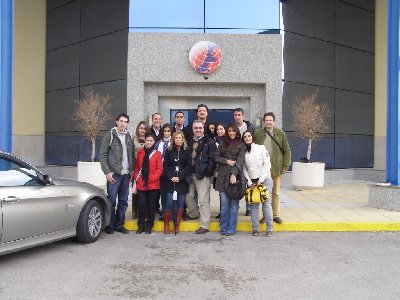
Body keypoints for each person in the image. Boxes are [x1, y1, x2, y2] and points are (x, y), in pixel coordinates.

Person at [100, 113, 135, 234]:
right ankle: (110, 225)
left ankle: (119, 225)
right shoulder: (109, 135)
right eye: (121, 121)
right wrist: (107, 172)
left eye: (125, 122)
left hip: (126, 175)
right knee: (111, 201)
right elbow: (103, 155)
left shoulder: (129, 136)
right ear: (116, 121)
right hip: (114, 174)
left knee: (123, 201)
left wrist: (132, 171)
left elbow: (132, 155)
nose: (123, 123)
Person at [255, 112, 291, 224]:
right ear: (264, 122)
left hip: (276, 167)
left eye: (270, 120)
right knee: (264, 193)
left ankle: (275, 215)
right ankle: (266, 215)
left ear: (274, 122)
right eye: (266, 120)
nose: (268, 122)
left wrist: (285, 165)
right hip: (263, 170)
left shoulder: (280, 134)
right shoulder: (258, 134)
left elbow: (287, 151)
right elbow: (255, 151)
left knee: (275, 192)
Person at [184, 119, 217, 234]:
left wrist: (207, 172)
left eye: (200, 128)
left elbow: (212, 160)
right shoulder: (187, 141)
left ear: (203, 129)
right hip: (189, 174)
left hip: (202, 176)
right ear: (192, 129)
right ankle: (193, 214)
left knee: (203, 201)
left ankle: (205, 225)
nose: (198, 130)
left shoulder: (210, 142)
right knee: (188, 197)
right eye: (196, 128)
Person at [214, 124, 245, 236]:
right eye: (230, 131)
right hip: (222, 176)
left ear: (237, 132)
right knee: (224, 204)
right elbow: (215, 157)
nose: (231, 133)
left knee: (234, 205)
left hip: (235, 178)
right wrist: (226, 161)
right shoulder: (222, 143)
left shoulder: (241, 145)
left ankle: (231, 228)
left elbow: (240, 161)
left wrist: (233, 174)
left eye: (234, 131)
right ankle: (223, 228)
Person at [242, 130, 273, 237]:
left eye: (249, 136)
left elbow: (267, 164)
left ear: (252, 137)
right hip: (252, 182)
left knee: (266, 204)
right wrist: (249, 181)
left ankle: (269, 229)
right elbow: (244, 169)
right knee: (254, 205)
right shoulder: (244, 152)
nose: (247, 138)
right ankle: (255, 228)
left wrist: (261, 179)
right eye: (245, 137)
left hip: (265, 180)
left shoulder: (261, 148)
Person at [132, 133, 163, 234]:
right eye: (147, 140)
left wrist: (152, 178)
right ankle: (140, 225)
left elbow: (159, 169)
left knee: (151, 205)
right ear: (145, 141)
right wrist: (137, 178)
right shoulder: (140, 152)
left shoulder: (157, 153)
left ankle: (149, 225)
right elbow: (137, 167)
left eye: (151, 141)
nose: (149, 142)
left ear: (154, 142)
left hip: (153, 184)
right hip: (141, 183)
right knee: (141, 205)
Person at [162, 131, 192, 234]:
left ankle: (176, 226)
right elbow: (165, 166)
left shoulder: (187, 151)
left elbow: (188, 166)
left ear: (183, 139)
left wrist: (180, 177)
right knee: (169, 203)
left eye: (180, 138)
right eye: (176, 138)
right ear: (173, 139)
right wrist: (171, 177)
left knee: (180, 203)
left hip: (182, 181)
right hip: (170, 182)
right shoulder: (169, 150)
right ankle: (166, 225)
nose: (178, 139)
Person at [233, 107, 256, 217]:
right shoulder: (232, 128)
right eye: (235, 115)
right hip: (236, 160)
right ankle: (235, 207)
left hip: (248, 158)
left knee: (248, 183)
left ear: (243, 116)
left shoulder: (250, 127)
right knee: (237, 184)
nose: (237, 117)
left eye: (239, 115)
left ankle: (249, 207)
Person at [155, 123, 173, 220]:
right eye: (165, 131)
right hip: (160, 173)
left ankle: (170, 214)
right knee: (163, 194)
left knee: (171, 195)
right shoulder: (158, 143)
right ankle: (164, 214)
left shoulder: (174, 143)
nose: (166, 133)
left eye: (168, 131)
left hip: (171, 173)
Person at [131, 121, 148, 219]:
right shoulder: (133, 139)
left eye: (144, 129)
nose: (142, 130)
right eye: (141, 128)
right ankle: (134, 211)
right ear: (138, 129)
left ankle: (144, 211)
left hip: (146, 168)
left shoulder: (148, 139)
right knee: (135, 191)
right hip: (136, 168)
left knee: (144, 191)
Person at [213, 123, 226, 219]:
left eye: (221, 129)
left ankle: (224, 211)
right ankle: (221, 211)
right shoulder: (213, 141)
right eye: (218, 129)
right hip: (216, 170)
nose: (219, 131)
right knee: (220, 190)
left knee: (225, 191)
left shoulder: (228, 141)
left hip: (225, 169)